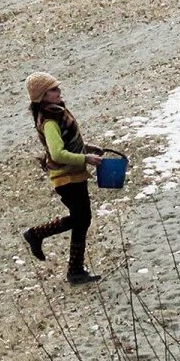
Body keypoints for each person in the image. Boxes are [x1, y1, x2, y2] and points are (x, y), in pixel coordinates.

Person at [22, 72, 105, 285]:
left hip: (73, 174)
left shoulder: (56, 112)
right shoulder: (50, 120)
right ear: (43, 95)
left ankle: (73, 267)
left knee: (81, 218)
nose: (59, 91)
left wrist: (87, 148)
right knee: (82, 218)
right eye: (53, 89)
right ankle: (39, 237)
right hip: (65, 177)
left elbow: (67, 144)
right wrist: (85, 157)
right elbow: (57, 153)